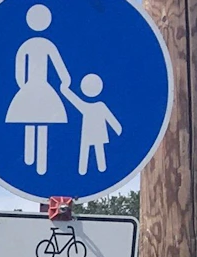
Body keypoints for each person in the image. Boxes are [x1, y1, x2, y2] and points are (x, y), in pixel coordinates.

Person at [7, 4, 71, 177]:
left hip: (31, 88)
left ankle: (33, 160)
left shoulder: (28, 45)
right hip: (41, 88)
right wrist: (65, 80)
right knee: (42, 122)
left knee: (33, 121)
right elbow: (59, 67)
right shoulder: (45, 44)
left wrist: (24, 87)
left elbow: (19, 72)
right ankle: (36, 162)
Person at [62, 74, 122, 176]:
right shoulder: (95, 106)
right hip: (91, 132)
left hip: (93, 132)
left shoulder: (94, 106)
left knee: (93, 150)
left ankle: (92, 170)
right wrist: (65, 91)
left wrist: (118, 129)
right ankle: (86, 170)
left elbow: (110, 118)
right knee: (90, 150)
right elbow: (75, 101)